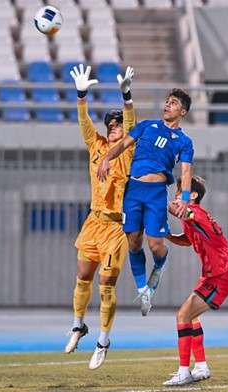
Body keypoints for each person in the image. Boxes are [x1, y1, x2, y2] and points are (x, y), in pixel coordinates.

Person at [96, 88, 194, 316]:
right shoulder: (146, 126)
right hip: (134, 190)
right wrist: (106, 159)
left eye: (173, 103)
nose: (167, 105)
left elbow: (186, 173)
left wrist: (185, 200)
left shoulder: (184, 141)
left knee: (155, 246)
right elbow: (122, 144)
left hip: (157, 192)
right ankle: (144, 290)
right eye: (167, 101)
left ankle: (159, 266)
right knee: (133, 242)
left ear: (183, 111)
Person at [64, 63, 136, 370]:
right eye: (110, 124)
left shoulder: (128, 150)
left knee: (107, 285)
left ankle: (103, 341)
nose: (112, 127)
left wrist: (127, 96)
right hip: (92, 222)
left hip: (116, 227)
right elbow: (83, 123)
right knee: (83, 278)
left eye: (117, 124)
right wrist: (81, 95)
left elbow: (132, 124)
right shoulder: (97, 146)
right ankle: (79, 326)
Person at [162, 175, 228, 386]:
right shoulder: (196, 216)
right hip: (215, 273)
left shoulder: (192, 212)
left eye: (181, 191)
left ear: (193, 195)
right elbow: (188, 240)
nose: (177, 195)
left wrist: (154, 197)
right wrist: (168, 236)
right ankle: (201, 366)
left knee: (183, 315)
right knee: (192, 317)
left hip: (221, 274)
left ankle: (183, 371)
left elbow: (182, 211)